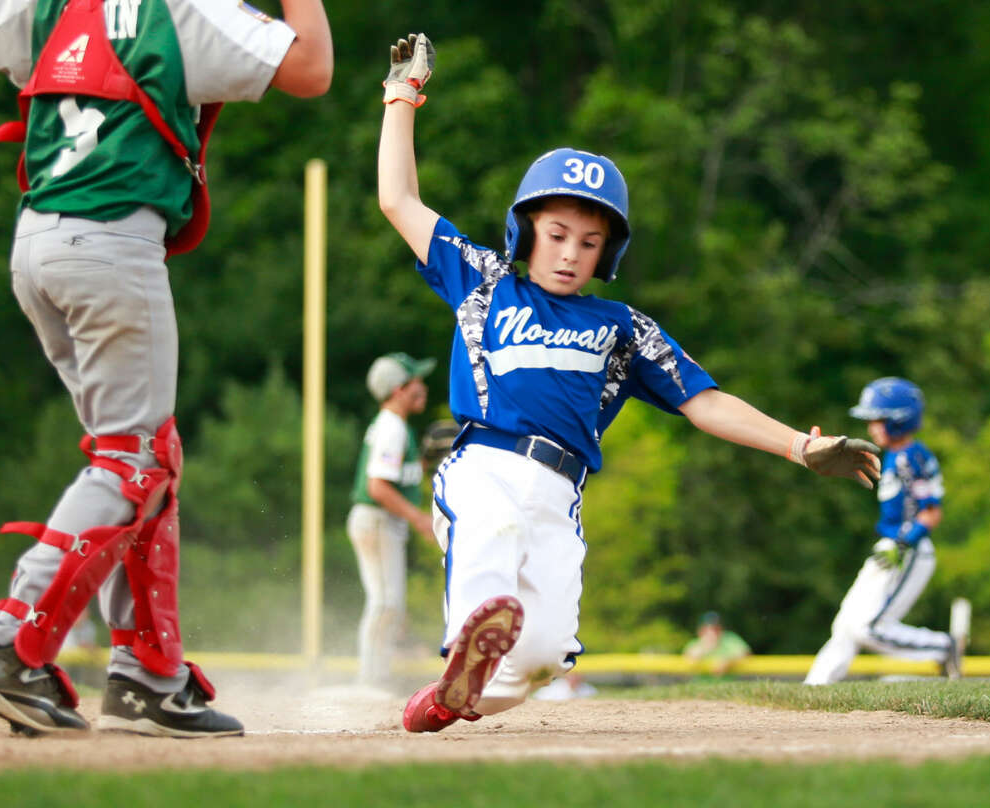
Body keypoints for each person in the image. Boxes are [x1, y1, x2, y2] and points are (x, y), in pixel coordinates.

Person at [376, 33, 882, 732]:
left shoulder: (623, 327)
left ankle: (447, 696)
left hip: (560, 489)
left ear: (607, 252)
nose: (569, 252)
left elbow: (704, 401)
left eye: (588, 242)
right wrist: (401, 97)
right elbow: (399, 199)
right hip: (482, 464)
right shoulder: (484, 282)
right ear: (525, 231)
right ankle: (473, 629)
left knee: (547, 654)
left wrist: (799, 446)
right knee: (488, 532)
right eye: (556, 233)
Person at [0, 0, 332, 736]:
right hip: (112, 243)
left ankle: (149, 674)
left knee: (144, 456)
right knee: (133, 461)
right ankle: (7, 642)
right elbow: (311, 68)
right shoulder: (183, 10)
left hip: (38, 244)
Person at [804, 377, 961, 685]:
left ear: (900, 420)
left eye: (879, 419)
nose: (872, 427)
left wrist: (903, 543)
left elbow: (931, 512)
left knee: (869, 627)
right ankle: (816, 686)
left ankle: (942, 647)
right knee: (847, 621)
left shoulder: (914, 457)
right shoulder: (893, 457)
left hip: (909, 549)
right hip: (889, 545)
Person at [346, 352, 436, 689]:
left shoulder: (395, 426)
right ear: (398, 389)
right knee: (385, 602)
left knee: (389, 603)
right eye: (416, 381)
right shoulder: (392, 427)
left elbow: (393, 479)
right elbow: (377, 486)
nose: (421, 387)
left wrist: (424, 462)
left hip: (378, 521)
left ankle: (374, 677)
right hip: (378, 519)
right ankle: (369, 680)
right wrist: (419, 518)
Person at [683, 611, 751, 676]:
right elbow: (688, 659)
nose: (712, 632)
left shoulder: (729, 639)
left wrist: (728, 663)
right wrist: (705, 647)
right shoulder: (695, 643)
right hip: (701, 684)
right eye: (708, 629)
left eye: (715, 629)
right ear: (700, 631)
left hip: (728, 683)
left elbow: (745, 654)